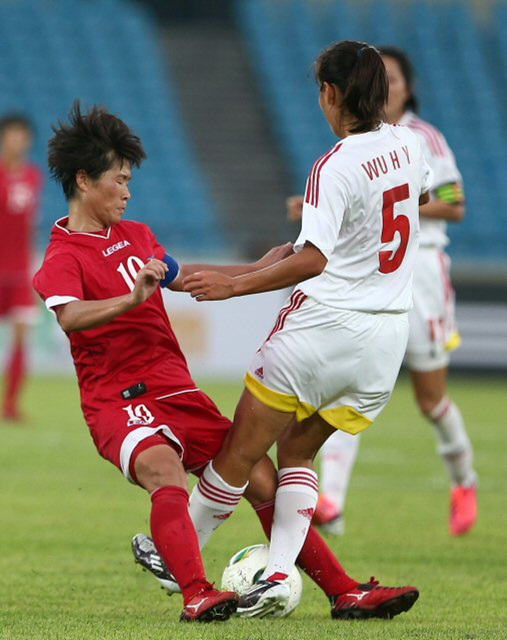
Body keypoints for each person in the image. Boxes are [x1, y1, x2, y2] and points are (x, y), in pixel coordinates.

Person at [32, 101, 412, 623]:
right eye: (119, 180)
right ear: (83, 179)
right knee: (164, 470)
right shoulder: (61, 256)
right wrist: (130, 300)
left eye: (128, 180)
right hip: (119, 400)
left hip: (177, 390)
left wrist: (256, 269)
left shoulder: (138, 236)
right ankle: (196, 593)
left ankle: (346, 591)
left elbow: (184, 278)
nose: (127, 190)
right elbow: (71, 317)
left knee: (261, 478)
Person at [182, 40, 432, 617]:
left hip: (323, 328)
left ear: (331, 93)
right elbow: (414, 198)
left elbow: (315, 259)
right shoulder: (410, 143)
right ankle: (275, 573)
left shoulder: (333, 166)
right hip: (384, 340)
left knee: (241, 450)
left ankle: (181, 564)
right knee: (300, 450)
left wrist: (233, 284)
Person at [301, 46, 477, 538]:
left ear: (407, 87)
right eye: (385, 79)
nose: (391, 87)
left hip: (419, 272)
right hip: (372, 271)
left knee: (430, 399)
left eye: (397, 79)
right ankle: (330, 497)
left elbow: (453, 202)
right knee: (347, 381)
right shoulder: (363, 143)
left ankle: (465, 480)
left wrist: (392, 204)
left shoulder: (423, 139)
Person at [0, 114, 42, 422]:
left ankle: (11, 406)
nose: (18, 140)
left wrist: (32, 270)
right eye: (12, 134)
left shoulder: (33, 176)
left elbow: (29, 227)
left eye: (22, 135)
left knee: (21, 336)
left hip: (19, 271)